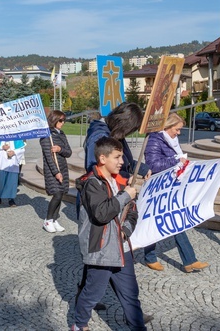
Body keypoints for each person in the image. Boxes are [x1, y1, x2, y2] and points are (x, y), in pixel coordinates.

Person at [73, 137, 145, 331]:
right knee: (92, 293)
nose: (122, 161)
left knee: (130, 295)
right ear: (102, 158)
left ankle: (138, 327)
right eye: (117, 157)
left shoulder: (120, 182)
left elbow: (132, 212)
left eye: (122, 156)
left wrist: (126, 231)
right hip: (101, 249)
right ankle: (79, 324)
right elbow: (101, 213)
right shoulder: (92, 184)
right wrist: (125, 196)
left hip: (121, 248)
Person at [142, 113, 209, 273]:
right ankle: (150, 257)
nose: (179, 133)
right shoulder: (155, 139)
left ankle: (189, 261)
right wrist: (176, 161)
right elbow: (152, 164)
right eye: (177, 129)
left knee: (174, 221)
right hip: (157, 188)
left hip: (170, 187)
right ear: (167, 126)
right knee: (156, 222)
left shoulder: (170, 139)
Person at [84, 102, 149, 179]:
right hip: (107, 189)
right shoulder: (100, 137)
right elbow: (97, 174)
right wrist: (124, 182)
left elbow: (127, 162)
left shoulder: (115, 134)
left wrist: (144, 170)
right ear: (124, 125)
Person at [39, 110, 71, 233]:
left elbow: (68, 152)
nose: (62, 123)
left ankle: (54, 219)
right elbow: (48, 157)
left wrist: (60, 149)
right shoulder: (46, 135)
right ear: (54, 120)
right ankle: (48, 219)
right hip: (52, 170)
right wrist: (56, 172)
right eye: (60, 120)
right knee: (57, 194)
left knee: (61, 194)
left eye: (64, 120)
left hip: (63, 167)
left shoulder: (61, 134)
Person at [0, 140, 25, 207]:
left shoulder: (16, 136)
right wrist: (1, 147)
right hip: (1, 161)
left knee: (11, 181)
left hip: (12, 162)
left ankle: (11, 199)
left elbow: (22, 149)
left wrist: (14, 152)